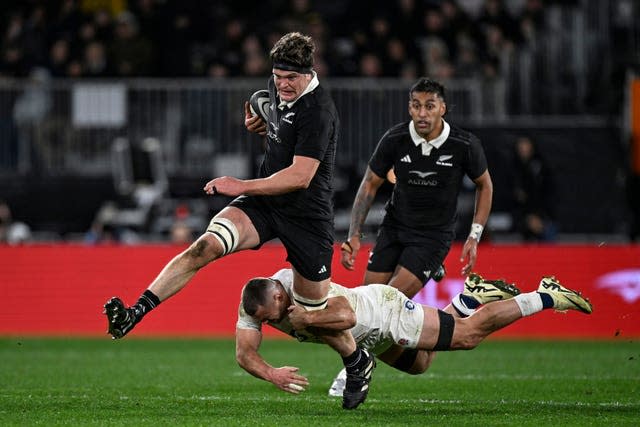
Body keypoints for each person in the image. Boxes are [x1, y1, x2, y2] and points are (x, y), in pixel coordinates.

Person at [103, 32, 373, 410]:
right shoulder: (279, 88)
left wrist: (239, 184)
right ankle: (137, 312)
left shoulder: (319, 110)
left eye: (290, 79)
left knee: (310, 315)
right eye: (277, 77)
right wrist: (261, 124)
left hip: (306, 216)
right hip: (265, 204)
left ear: (309, 73)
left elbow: (300, 176)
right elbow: (275, 120)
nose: (282, 85)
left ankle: (356, 360)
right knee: (204, 247)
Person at [236, 268, 592, 403]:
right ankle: (470, 297)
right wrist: (271, 373)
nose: (272, 323)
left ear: (280, 296)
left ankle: (543, 294)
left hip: (383, 315)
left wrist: (308, 316)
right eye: (267, 321)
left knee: (467, 337)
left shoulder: (299, 287)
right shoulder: (254, 302)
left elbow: (345, 314)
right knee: (420, 364)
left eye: (274, 316)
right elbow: (244, 352)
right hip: (369, 337)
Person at [340, 77, 493, 298]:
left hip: (432, 236)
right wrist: (353, 235)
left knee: (387, 302)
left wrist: (474, 235)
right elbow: (369, 184)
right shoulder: (395, 139)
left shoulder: (464, 144)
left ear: (442, 108)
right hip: (394, 228)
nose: (422, 113)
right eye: (416, 105)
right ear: (409, 108)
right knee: (368, 302)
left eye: (429, 106)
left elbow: (484, 185)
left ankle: (431, 266)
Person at [511, 135, 556, 242]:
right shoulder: (512, 168)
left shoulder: (541, 167)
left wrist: (539, 217)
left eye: (526, 145)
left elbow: (546, 194)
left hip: (542, 215)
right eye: (521, 146)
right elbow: (513, 196)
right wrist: (527, 218)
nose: (523, 149)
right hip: (519, 216)